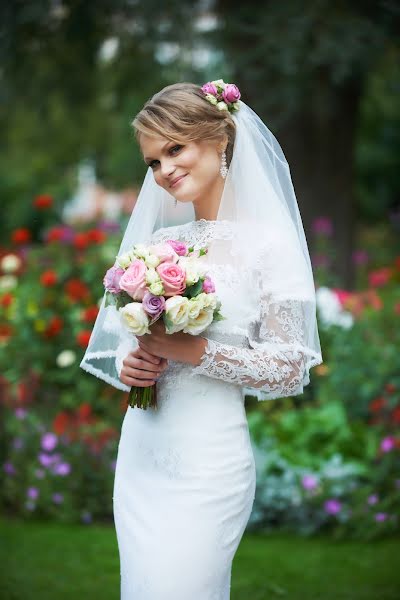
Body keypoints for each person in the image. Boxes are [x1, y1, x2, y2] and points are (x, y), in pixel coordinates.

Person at [80, 79, 323, 599]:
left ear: (219, 139)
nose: (164, 171)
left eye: (174, 149)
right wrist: (133, 365)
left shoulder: (272, 245)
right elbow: (130, 339)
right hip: (144, 449)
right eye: (152, 162)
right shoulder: (160, 245)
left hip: (208, 461)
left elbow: (288, 368)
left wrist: (197, 351)